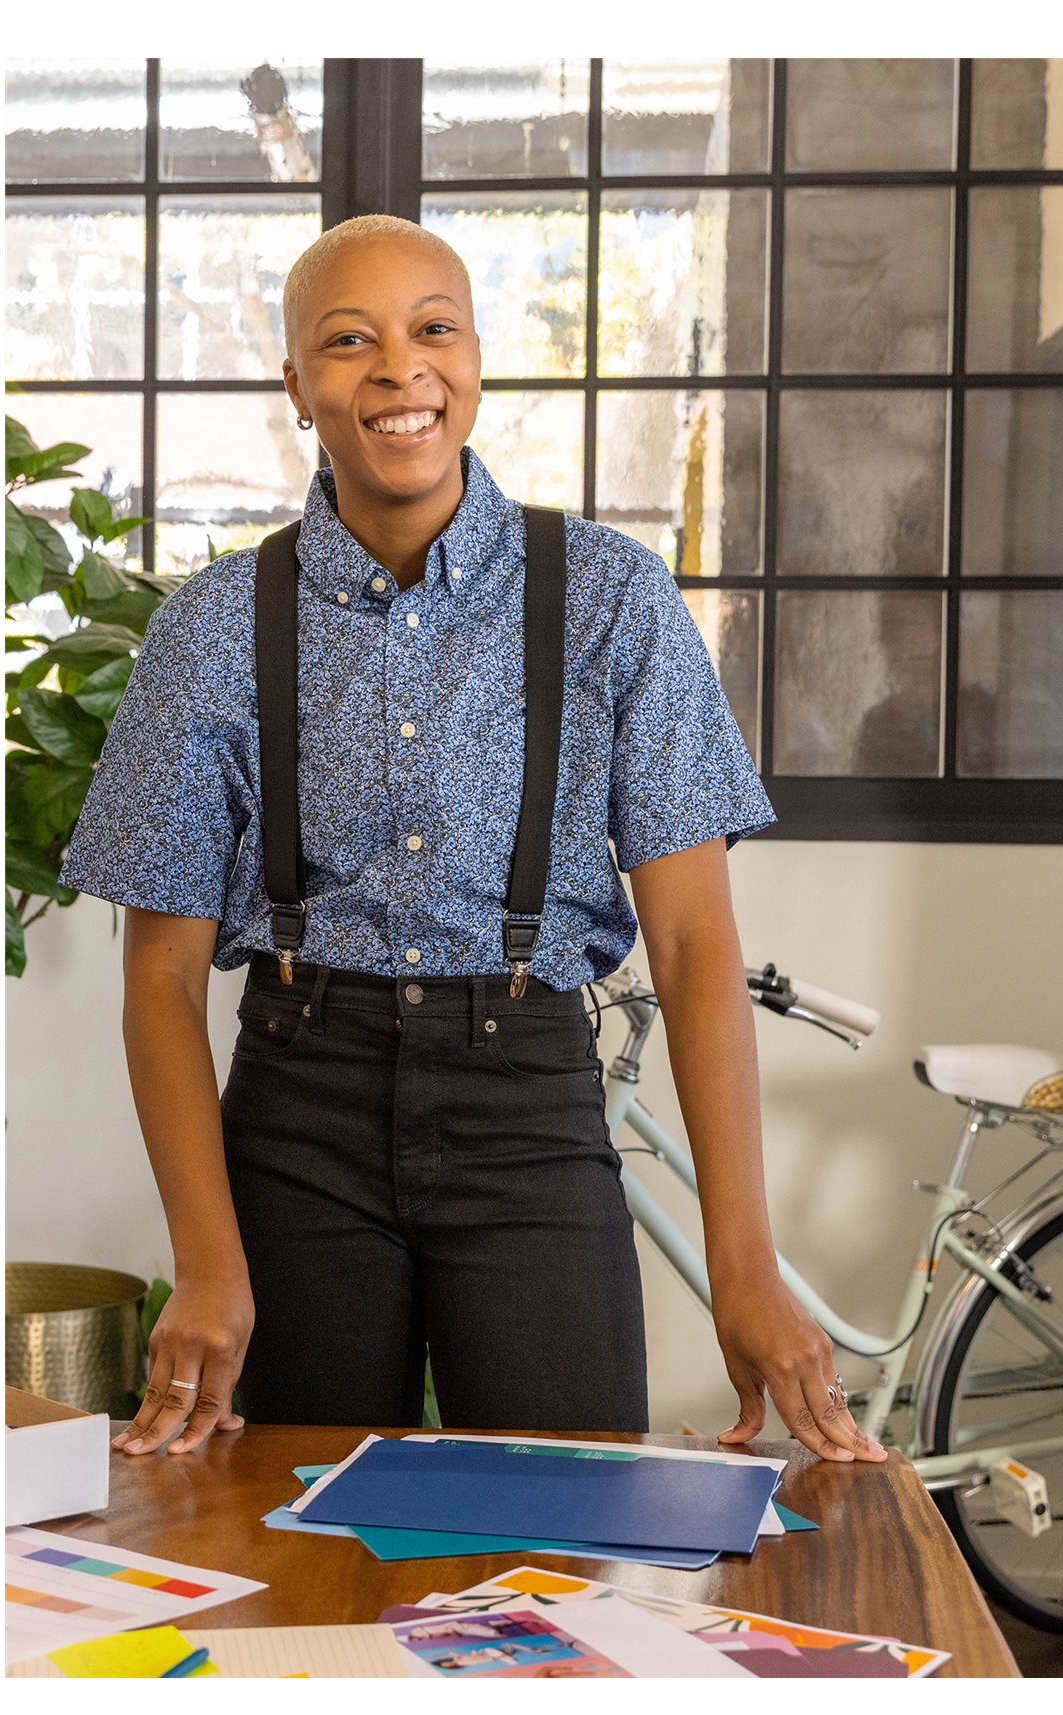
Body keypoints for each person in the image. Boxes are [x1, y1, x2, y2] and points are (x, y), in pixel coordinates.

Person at [57, 213, 884, 1468]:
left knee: (564, 1521)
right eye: (350, 341)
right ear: (296, 384)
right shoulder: (214, 626)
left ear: (478, 360)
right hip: (297, 1118)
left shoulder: (611, 598)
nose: (401, 368)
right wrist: (209, 1264)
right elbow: (160, 978)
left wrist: (746, 1267)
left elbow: (693, 946)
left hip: (529, 1114)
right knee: (294, 1530)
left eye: (433, 329)